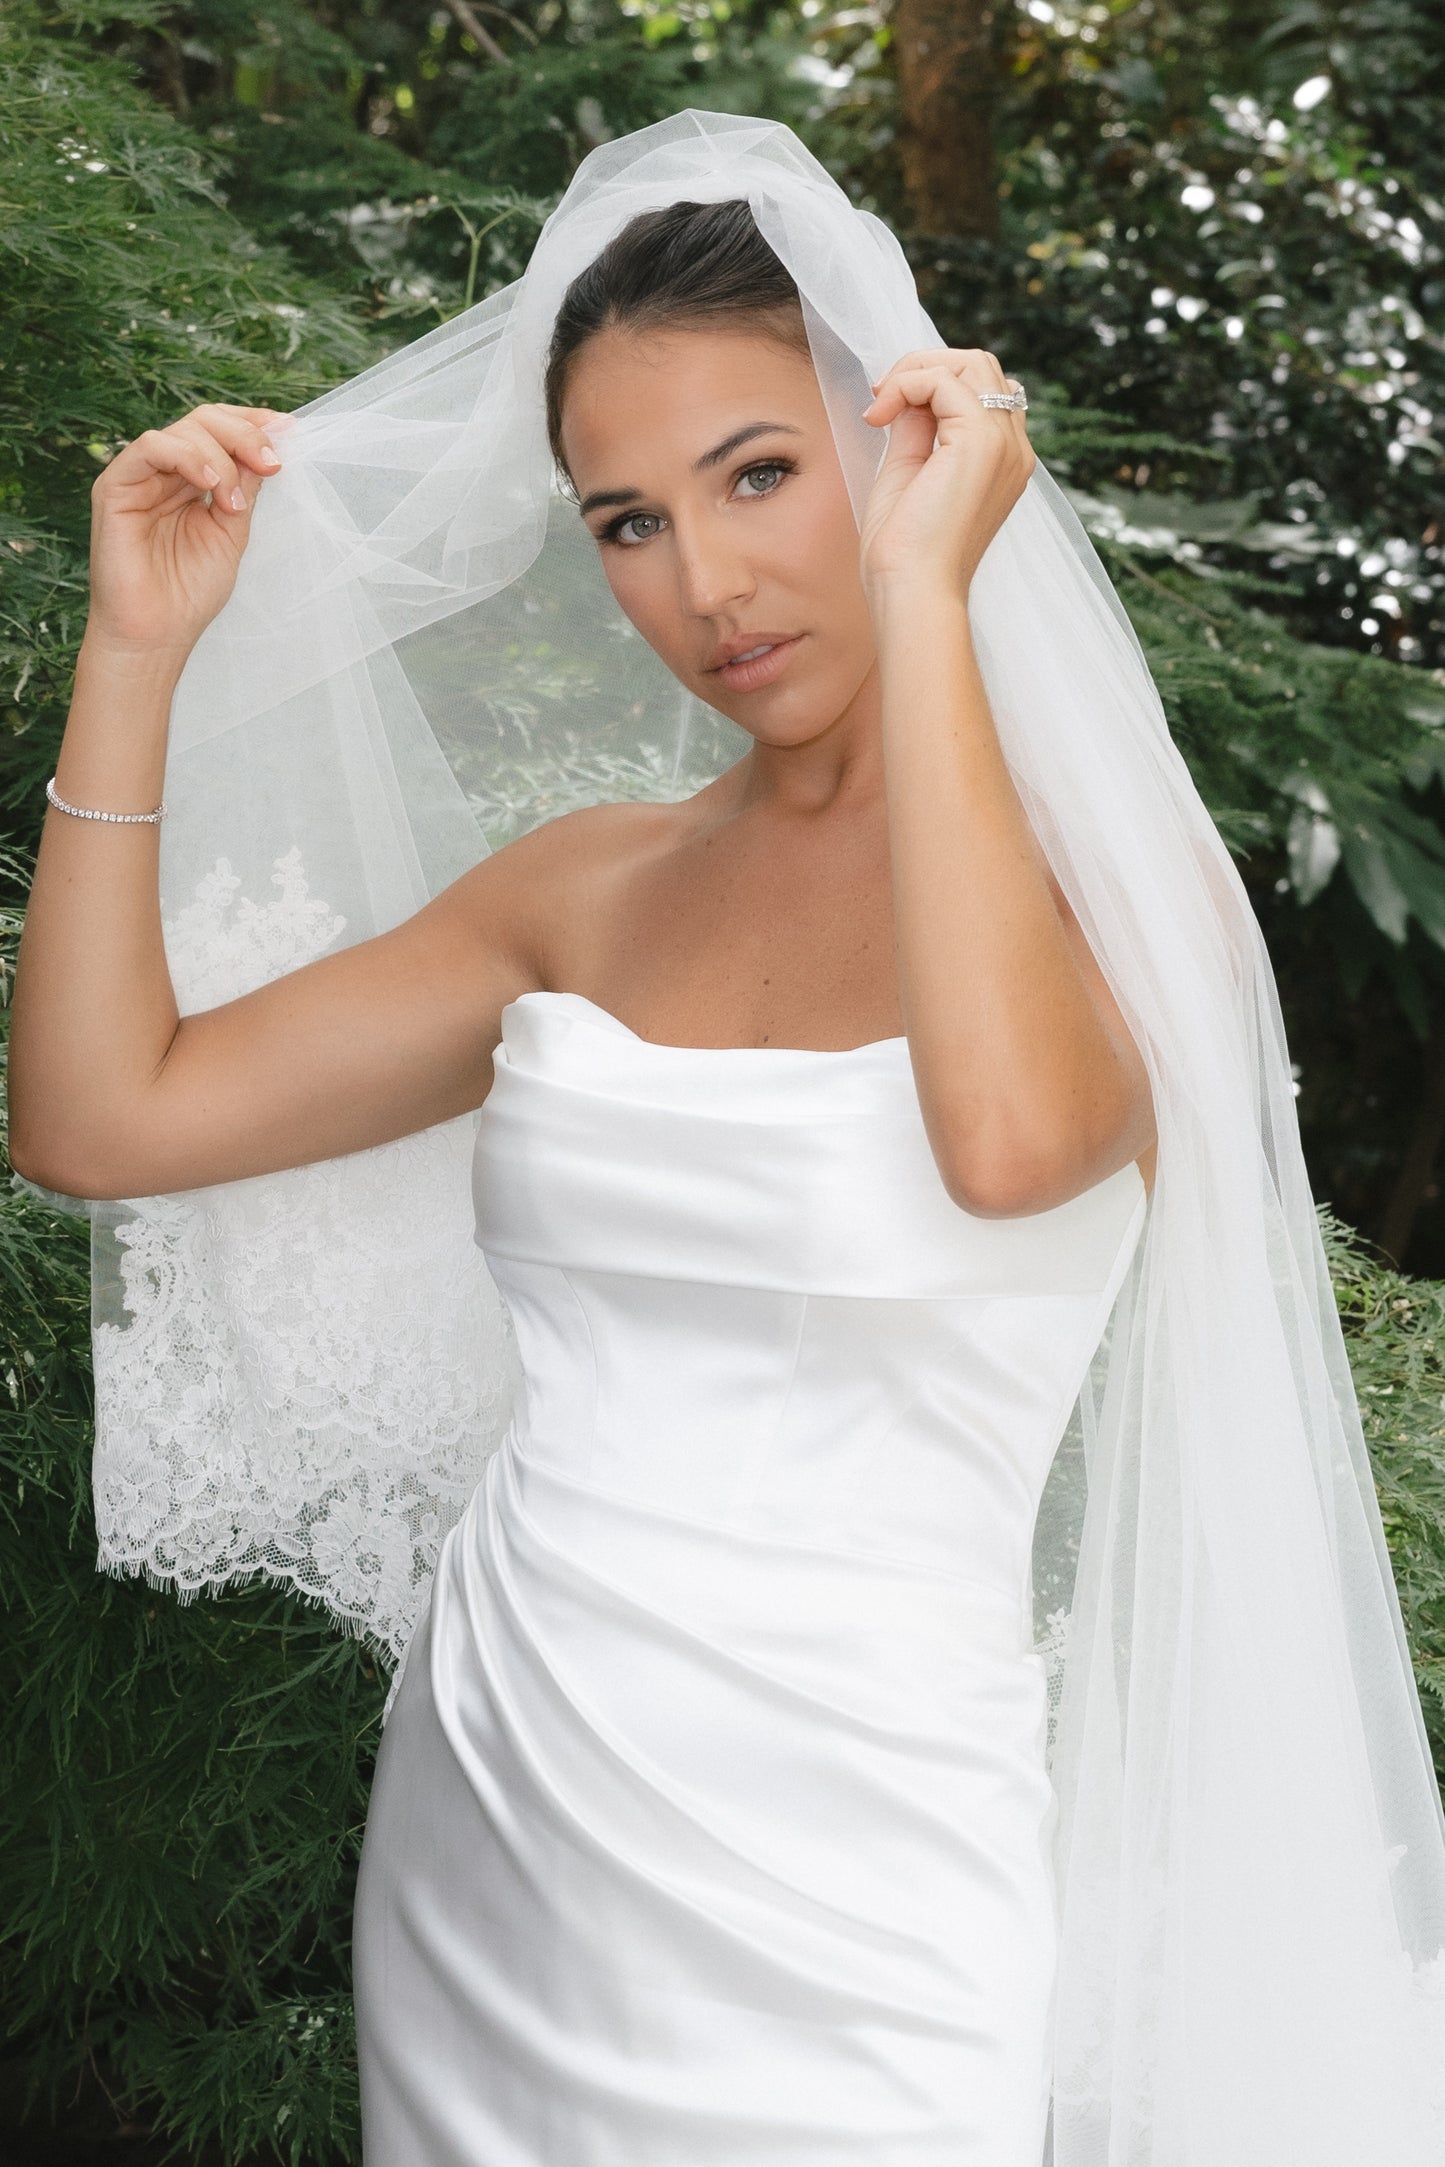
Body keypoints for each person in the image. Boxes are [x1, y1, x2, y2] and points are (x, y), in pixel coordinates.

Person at [10, 111, 1445, 2164]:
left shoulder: (1127, 886)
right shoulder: (583, 888)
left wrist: (931, 600)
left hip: (868, 1879)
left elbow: (1013, 1144)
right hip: (504, 1826)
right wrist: (136, 654)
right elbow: (95, 1117)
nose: (706, 580)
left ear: (896, 441)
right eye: (626, 521)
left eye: (760, 474)